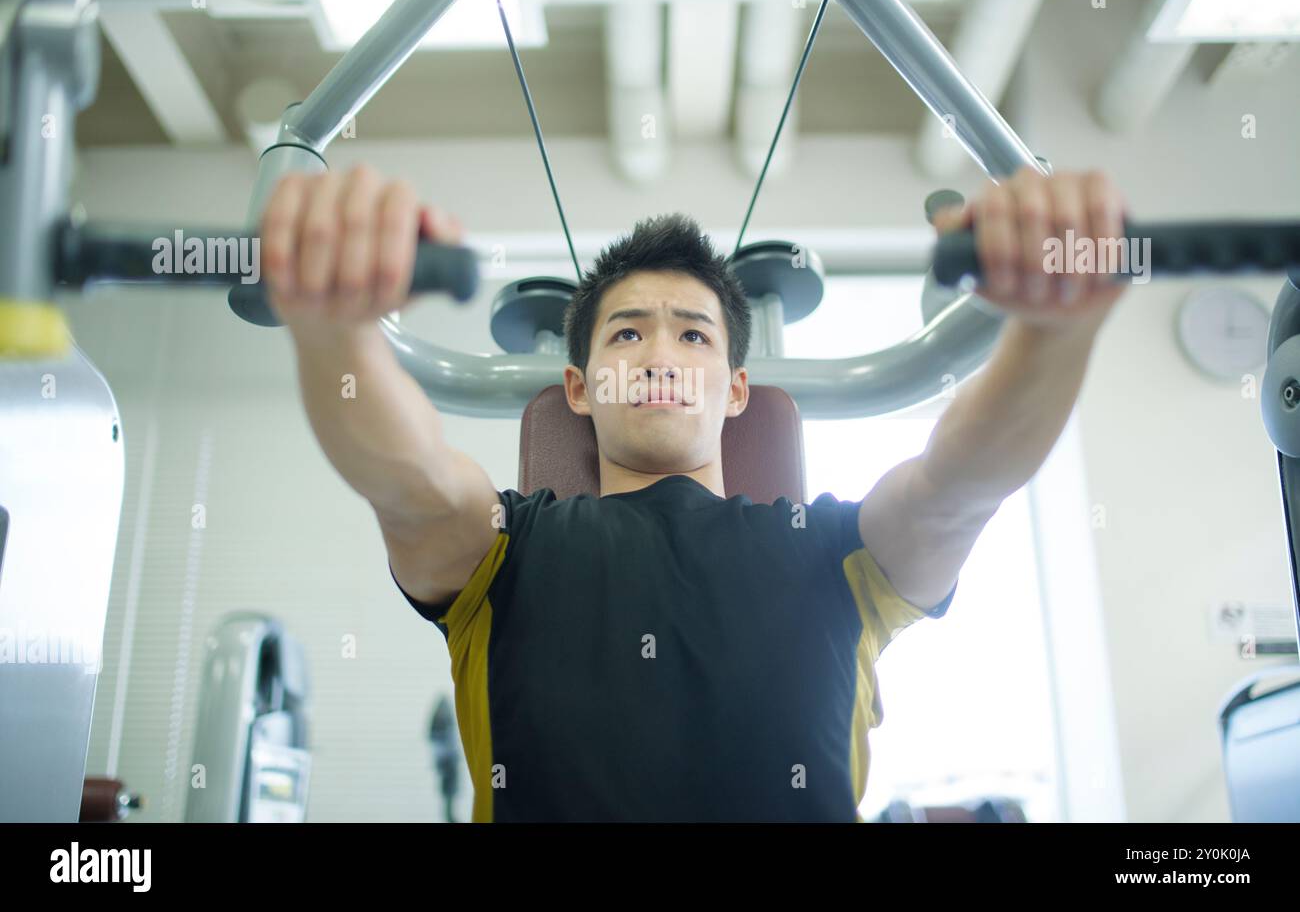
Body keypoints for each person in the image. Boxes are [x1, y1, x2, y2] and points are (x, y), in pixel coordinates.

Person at [260, 163, 1129, 821]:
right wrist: (333, 329)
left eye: (694, 335)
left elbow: (957, 488)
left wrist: (1052, 333)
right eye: (627, 333)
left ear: (736, 390)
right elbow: (406, 480)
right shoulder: (505, 551)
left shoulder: (833, 553)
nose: (660, 357)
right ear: (580, 386)